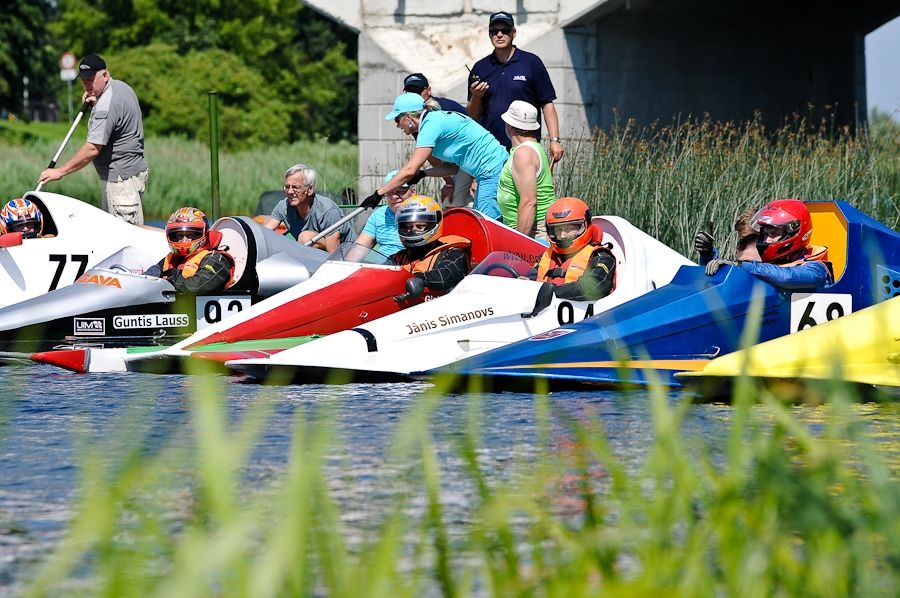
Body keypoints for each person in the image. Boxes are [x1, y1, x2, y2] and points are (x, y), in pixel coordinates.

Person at [38, 54, 148, 225]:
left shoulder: (105, 104)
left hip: (120, 183)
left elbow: (92, 148)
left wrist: (59, 172)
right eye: (84, 80)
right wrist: (95, 102)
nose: (87, 85)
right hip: (132, 176)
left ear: (104, 75)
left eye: (91, 79)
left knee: (123, 243)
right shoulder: (121, 88)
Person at [369, 92, 506, 221]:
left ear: (408, 117)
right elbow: (452, 169)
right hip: (488, 171)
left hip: (491, 170)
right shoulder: (432, 122)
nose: (397, 125)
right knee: (484, 221)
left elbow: (410, 169)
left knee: (488, 225)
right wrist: (423, 174)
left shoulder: (431, 125)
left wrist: (378, 194)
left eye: (397, 119)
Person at [467, 11, 564, 164]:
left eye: (505, 30)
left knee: (525, 188)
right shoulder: (480, 68)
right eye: (494, 31)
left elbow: (547, 104)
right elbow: (472, 116)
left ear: (514, 33)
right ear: (489, 34)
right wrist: (476, 96)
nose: (499, 34)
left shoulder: (531, 62)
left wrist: (555, 139)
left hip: (525, 146)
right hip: (489, 149)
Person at [697, 199, 833, 289]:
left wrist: (741, 265)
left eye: (773, 234)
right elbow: (721, 285)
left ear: (794, 234)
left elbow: (787, 277)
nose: (767, 241)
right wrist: (707, 254)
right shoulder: (770, 265)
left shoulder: (816, 269)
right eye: (765, 234)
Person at [403, 73, 473, 209]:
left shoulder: (445, 107)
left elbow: (474, 138)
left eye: (418, 91)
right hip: (454, 161)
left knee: (454, 203)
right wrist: (449, 182)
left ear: (429, 90)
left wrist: (474, 176)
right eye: (410, 92)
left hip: (470, 156)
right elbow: (430, 153)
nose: (415, 96)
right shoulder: (415, 115)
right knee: (450, 203)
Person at [529, 197, 616, 301]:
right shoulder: (547, 256)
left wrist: (551, 293)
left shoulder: (601, 257)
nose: (563, 235)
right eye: (557, 229)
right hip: (544, 312)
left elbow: (595, 287)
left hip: (588, 316)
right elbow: (531, 277)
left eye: (569, 229)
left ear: (584, 227)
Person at [391, 195, 472, 298]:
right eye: (407, 227)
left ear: (435, 224)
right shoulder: (398, 258)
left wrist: (420, 280)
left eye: (420, 226)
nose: (412, 231)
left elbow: (445, 276)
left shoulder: (453, 253)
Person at [496, 100, 556, 240]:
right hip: (529, 228)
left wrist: (519, 242)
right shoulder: (534, 148)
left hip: (532, 231)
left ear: (510, 126)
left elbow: (529, 202)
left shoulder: (523, 154)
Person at [265, 163, 357, 252]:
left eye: (295, 187)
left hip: (346, 254)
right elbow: (265, 232)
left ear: (310, 190)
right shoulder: (283, 206)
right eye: (287, 187)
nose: (289, 192)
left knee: (305, 237)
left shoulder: (327, 210)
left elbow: (333, 254)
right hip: (313, 251)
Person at [145, 207, 235, 293]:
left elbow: (198, 286)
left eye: (190, 235)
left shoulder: (216, 259)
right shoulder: (170, 258)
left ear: (202, 234)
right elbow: (146, 279)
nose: (184, 240)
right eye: (180, 236)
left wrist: (169, 279)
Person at [355, 170, 415, 257]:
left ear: (413, 192)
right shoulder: (379, 215)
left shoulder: (423, 213)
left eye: (400, 190)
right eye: (390, 192)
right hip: (384, 266)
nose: (395, 196)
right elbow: (358, 250)